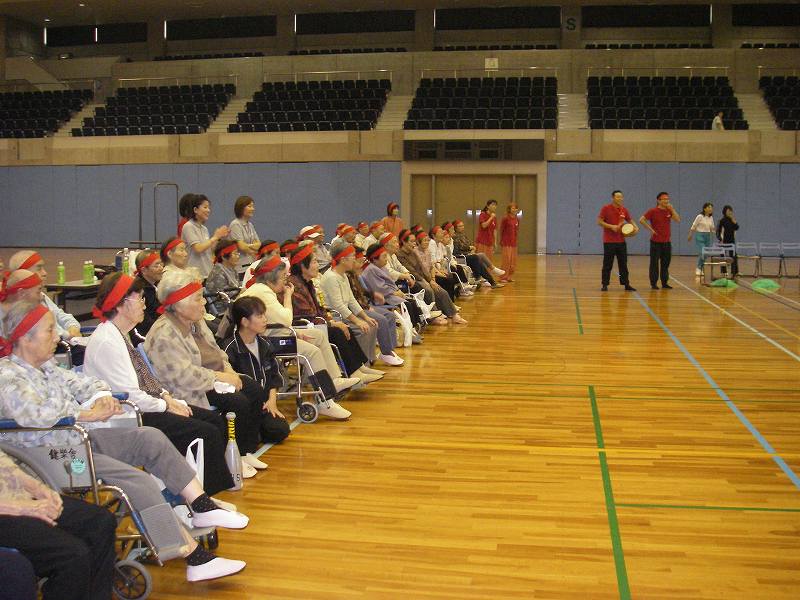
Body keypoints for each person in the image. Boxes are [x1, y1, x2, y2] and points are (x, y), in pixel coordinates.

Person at [0, 301, 249, 583]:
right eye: (49, 330)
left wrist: (101, 397)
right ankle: (190, 554)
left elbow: (87, 383)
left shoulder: (46, 368)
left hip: (79, 439)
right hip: (55, 457)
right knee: (137, 481)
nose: (57, 335)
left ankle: (201, 505)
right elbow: (36, 414)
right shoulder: (8, 377)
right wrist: (86, 413)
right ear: (25, 338)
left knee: (149, 438)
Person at [84, 273, 237, 495]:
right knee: (205, 431)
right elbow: (130, 395)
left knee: (213, 420)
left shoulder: (120, 334)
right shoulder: (107, 341)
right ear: (121, 304)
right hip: (128, 415)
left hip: (145, 405)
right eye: (140, 299)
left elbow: (147, 379)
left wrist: (166, 397)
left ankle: (206, 490)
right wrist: (166, 405)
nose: (144, 305)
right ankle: (202, 497)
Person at [144, 270, 286, 467]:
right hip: (190, 388)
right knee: (238, 402)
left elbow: (218, 353)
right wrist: (220, 377)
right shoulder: (164, 334)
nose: (204, 302)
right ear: (178, 304)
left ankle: (245, 451)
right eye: (198, 298)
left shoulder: (196, 321)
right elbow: (183, 376)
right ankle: (232, 456)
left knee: (254, 390)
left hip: (213, 378)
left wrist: (230, 372)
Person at [237, 255, 356, 419]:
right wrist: (288, 296)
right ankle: (325, 401)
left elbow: (275, 320)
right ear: (272, 278)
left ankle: (334, 379)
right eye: (282, 277)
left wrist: (295, 331)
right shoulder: (263, 293)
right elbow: (285, 319)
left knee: (318, 335)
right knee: (312, 351)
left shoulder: (262, 290)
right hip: (264, 341)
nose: (285, 281)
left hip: (271, 334)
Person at [0, 447, 116, 600]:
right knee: (72, 555)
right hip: (6, 511)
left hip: (16, 496)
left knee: (101, 521)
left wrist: (37, 488)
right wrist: (21, 508)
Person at [287, 244, 383, 382]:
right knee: (338, 332)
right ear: (303, 266)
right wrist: (332, 323)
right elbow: (307, 314)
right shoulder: (294, 285)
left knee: (344, 328)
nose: (318, 265)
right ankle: (354, 372)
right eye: (314, 262)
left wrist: (331, 320)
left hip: (316, 323)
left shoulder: (307, 283)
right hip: (303, 327)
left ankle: (360, 367)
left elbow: (318, 309)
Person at [321, 241, 403, 367]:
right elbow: (338, 306)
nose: (354, 259)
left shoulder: (342, 275)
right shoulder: (331, 277)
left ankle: (368, 360)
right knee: (364, 328)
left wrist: (365, 317)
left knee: (372, 323)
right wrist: (358, 321)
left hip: (345, 314)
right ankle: (360, 364)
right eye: (352, 256)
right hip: (336, 316)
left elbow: (351, 300)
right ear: (343, 260)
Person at [8, 251, 81, 339]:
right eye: (39, 268)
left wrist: (73, 327)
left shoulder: (41, 295)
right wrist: (70, 335)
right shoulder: (21, 302)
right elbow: (48, 331)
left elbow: (60, 315)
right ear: (24, 272)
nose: (45, 273)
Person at [181, 194, 230, 279]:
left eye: (209, 207)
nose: (208, 210)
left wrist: (218, 238)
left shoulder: (204, 229)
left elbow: (210, 250)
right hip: (194, 276)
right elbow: (198, 248)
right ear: (195, 210)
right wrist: (215, 237)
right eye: (205, 207)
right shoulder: (188, 226)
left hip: (207, 273)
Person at [597, 190, 638, 292]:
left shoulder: (624, 210)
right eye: (618, 197)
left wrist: (636, 227)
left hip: (621, 242)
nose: (620, 199)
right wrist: (611, 226)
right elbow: (599, 222)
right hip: (609, 242)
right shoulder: (606, 208)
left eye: (621, 197)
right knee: (607, 264)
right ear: (613, 198)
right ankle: (605, 284)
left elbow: (630, 220)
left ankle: (626, 284)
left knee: (623, 264)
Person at [639, 192, 681, 290]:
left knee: (665, 264)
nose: (666, 201)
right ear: (658, 200)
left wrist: (672, 209)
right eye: (664, 199)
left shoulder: (669, 211)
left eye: (667, 199)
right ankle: (653, 283)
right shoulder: (653, 211)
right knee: (654, 264)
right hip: (655, 242)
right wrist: (650, 229)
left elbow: (678, 219)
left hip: (666, 242)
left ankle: (664, 282)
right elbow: (641, 220)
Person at [450, 220, 503, 287]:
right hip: (461, 256)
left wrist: (471, 249)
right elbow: (461, 247)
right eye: (460, 226)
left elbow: (468, 244)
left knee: (479, 259)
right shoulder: (454, 237)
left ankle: (488, 278)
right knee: (478, 257)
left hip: (467, 254)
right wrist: (470, 248)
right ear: (455, 228)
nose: (462, 227)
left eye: (462, 225)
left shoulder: (463, 235)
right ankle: (486, 275)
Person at [205, 239, 241, 314]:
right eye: (235, 254)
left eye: (238, 253)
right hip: (223, 312)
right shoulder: (217, 273)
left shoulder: (233, 270)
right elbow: (225, 299)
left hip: (234, 306)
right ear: (224, 257)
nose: (238, 256)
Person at [132, 249, 163, 338]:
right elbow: (145, 323)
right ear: (144, 270)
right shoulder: (139, 291)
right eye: (156, 265)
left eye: (161, 264)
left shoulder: (156, 284)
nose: (161, 268)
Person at [228, 196, 261, 278]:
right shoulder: (235, 224)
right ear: (241, 208)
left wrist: (247, 246)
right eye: (249, 206)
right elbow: (241, 247)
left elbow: (259, 244)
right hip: (240, 268)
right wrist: (251, 247)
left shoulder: (250, 225)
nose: (253, 209)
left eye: (253, 206)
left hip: (250, 265)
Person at [688, 202, 715, 276]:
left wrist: (716, 233)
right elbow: (694, 225)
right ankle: (698, 268)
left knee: (706, 254)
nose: (710, 209)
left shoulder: (711, 218)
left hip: (707, 236)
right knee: (702, 252)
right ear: (704, 208)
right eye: (709, 207)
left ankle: (701, 267)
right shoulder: (700, 216)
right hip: (700, 235)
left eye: (711, 208)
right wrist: (690, 234)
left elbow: (712, 228)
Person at [475, 200, 502, 271]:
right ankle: (480, 275)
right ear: (487, 206)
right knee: (481, 261)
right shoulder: (482, 214)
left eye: (495, 205)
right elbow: (484, 225)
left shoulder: (494, 217)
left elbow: (495, 230)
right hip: (482, 241)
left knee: (489, 261)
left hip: (490, 242)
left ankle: (487, 276)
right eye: (492, 205)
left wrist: (495, 242)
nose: (494, 206)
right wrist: (491, 218)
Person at [717, 205, 739, 276]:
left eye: (731, 211)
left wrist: (734, 222)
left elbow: (737, 228)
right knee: (723, 256)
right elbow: (718, 231)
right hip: (723, 241)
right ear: (724, 212)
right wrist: (720, 239)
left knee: (734, 256)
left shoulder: (732, 220)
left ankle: (734, 272)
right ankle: (723, 271)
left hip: (731, 241)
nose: (730, 212)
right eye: (728, 211)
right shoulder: (721, 221)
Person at [499, 203, 520, 282]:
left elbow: (516, 230)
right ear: (509, 209)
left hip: (513, 242)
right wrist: (501, 240)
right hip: (506, 242)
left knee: (513, 260)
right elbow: (501, 229)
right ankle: (503, 277)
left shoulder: (517, 219)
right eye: (513, 208)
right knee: (506, 260)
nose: (514, 210)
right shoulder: (505, 218)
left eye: (516, 208)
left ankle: (509, 276)